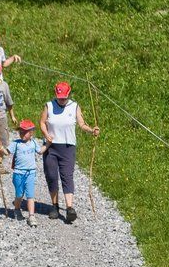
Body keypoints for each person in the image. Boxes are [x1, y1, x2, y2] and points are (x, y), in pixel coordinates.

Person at [39, 82, 100, 223]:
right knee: (51, 175)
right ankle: (54, 206)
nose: (62, 100)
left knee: (67, 176)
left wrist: (92, 130)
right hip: (51, 146)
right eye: (59, 97)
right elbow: (42, 122)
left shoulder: (74, 106)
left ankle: (69, 208)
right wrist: (46, 134)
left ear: (68, 95)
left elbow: (82, 124)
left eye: (64, 98)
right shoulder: (49, 105)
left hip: (68, 147)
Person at [6, 119, 46, 226]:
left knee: (30, 195)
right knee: (19, 194)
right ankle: (17, 209)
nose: (22, 134)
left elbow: (40, 151)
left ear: (31, 133)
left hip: (30, 173)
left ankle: (31, 216)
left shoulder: (33, 143)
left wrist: (48, 144)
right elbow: (6, 152)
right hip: (18, 173)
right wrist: (0, 147)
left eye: (25, 132)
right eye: (21, 132)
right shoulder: (16, 143)